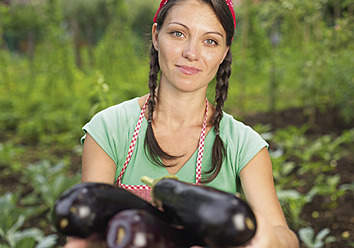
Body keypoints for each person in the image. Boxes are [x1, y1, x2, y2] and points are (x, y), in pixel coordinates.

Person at [64, 0, 300, 247]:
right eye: (178, 33)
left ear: (224, 52)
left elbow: (285, 238)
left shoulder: (243, 145)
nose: (191, 53)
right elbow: (83, 234)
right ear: (156, 36)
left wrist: (266, 237)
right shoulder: (110, 129)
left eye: (210, 41)